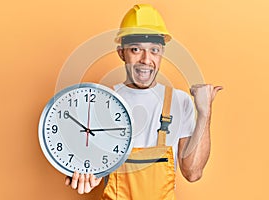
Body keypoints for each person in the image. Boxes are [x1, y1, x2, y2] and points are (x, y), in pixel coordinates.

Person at [65, 4, 222, 199]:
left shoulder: (179, 101)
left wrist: (205, 112)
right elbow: (87, 165)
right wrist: (84, 175)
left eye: (154, 50)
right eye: (136, 49)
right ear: (121, 53)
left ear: (162, 52)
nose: (146, 60)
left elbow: (193, 172)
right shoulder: (102, 102)